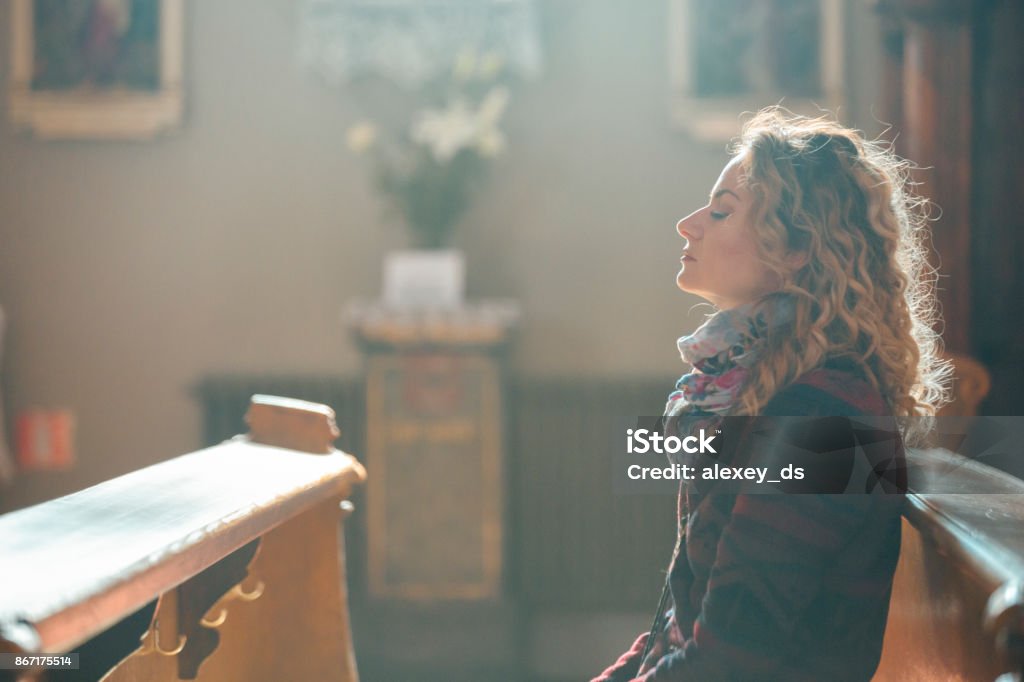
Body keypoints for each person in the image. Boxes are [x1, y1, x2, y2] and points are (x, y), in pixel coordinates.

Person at [592, 108, 950, 682]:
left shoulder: (823, 416)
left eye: (720, 212)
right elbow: (682, 628)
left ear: (796, 247)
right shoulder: (765, 389)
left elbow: (730, 659)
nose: (688, 225)